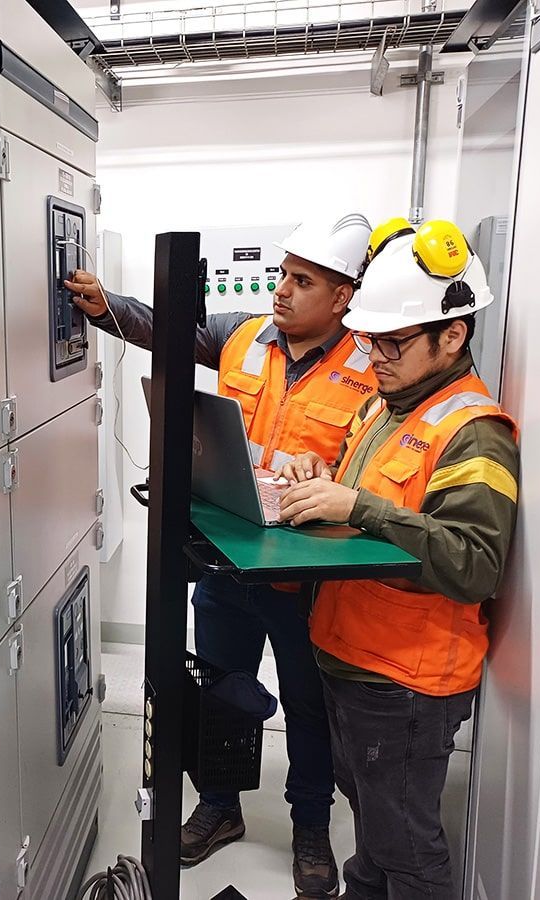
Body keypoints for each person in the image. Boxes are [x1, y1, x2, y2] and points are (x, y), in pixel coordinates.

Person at [66, 213, 374, 897]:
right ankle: (219, 809)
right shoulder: (243, 334)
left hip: (302, 573)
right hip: (224, 560)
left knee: (305, 704)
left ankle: (311, 827)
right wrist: (106, 306)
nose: (283, 291)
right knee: (220, 693)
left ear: (343, 296)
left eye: (303, 281)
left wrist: (328, 475)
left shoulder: (369, 367)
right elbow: (165, 326)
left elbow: (373, 475)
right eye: (284, 276)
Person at [277, 219, 520, 900]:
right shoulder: (390, 407)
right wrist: (316, 472)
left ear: (453, 335)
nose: (374, 356)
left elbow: (474, 564)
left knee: (409, 855)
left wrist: (356, 506)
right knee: (377, 843)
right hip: (353, 659)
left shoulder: (474, 433)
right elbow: (371, 489)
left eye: (392, 341)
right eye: (367, 339)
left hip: (405, 683)